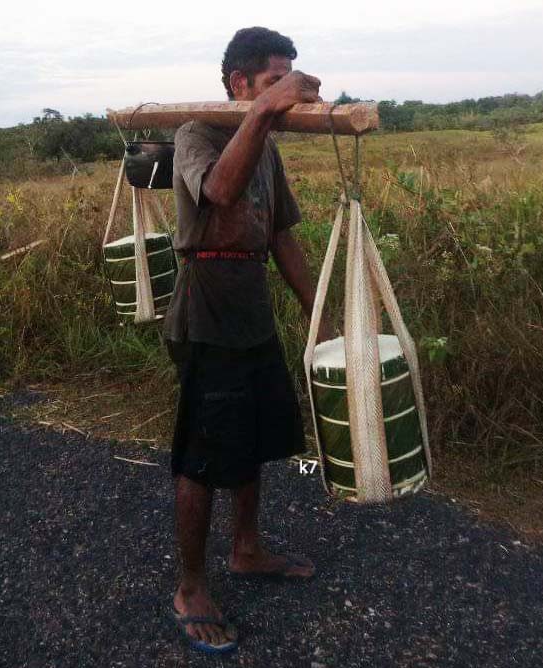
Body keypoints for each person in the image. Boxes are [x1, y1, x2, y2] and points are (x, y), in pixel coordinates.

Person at [162, 27, 332, 653]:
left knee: (257, 435)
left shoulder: (268, 145)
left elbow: (282, 236)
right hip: (206, 310)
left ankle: (247, 549)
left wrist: (322, 315)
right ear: (240, 85)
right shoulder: (197, 135)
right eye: (272, 83)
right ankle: (189, 587)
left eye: (287, 81)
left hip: (252, 309)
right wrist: (263, 112)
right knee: (204, 454)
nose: (283, 96)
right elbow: (221, 192)